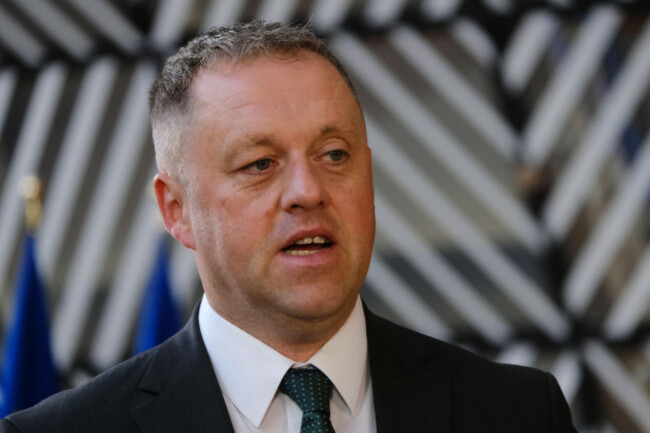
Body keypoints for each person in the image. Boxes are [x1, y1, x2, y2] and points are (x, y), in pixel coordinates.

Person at [0, 21, 576, 432]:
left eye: (333, 154)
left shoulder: (519, 412)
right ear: (176, 210)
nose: (307, 192)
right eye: (260, 164)